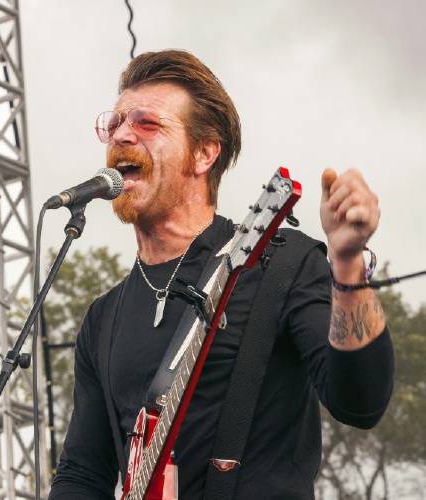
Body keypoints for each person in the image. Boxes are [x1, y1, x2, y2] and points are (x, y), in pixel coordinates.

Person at [48, 49, 394, 499]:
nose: (122, 135)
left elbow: (361, 402)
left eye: (146, 123)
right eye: (114, 124)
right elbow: (83, 473)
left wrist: (347, 264)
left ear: (204, 154)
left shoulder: (281, 265)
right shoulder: (104, 318)